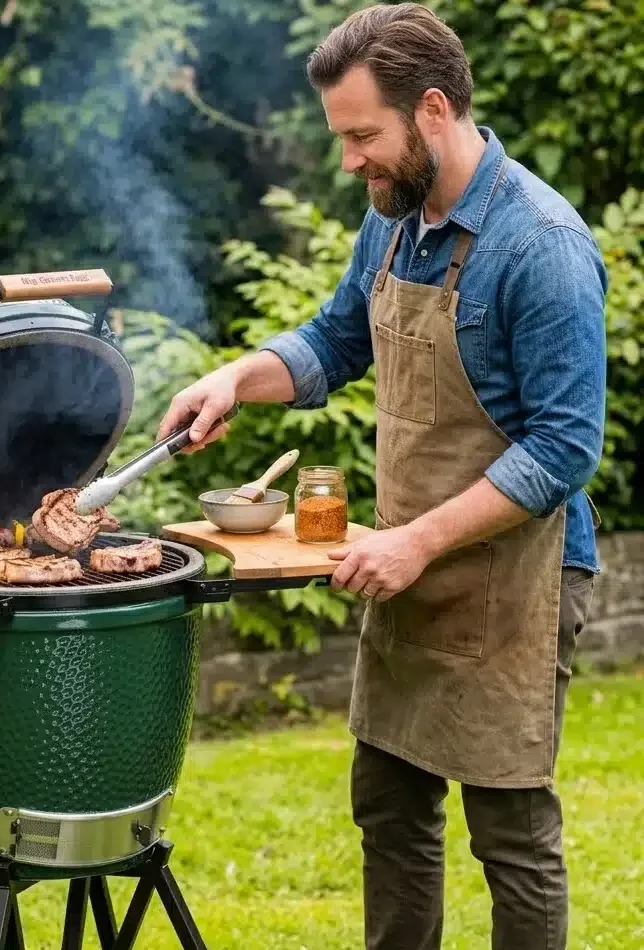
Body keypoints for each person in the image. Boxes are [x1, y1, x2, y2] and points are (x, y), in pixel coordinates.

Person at [157, 4, 607, 949]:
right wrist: (236, 378)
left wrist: (418, 541)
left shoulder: (542, 247)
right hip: (406, 563)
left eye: (363, 136)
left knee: (510, 831)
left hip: (512, 579)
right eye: (342, 137)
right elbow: (335, 340)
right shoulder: (395, 222)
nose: (349, 160)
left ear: (432, 109)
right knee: (390, 808)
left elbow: (566, 447)